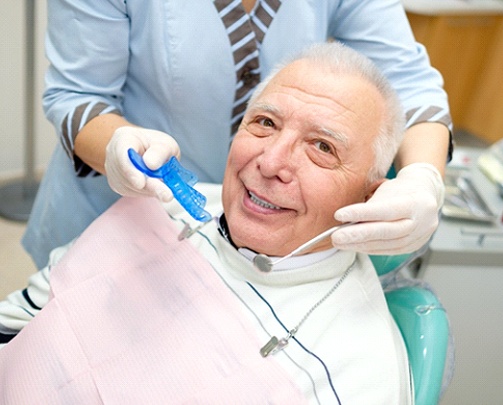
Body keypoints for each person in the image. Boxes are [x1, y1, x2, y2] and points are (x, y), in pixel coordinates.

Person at [0, 43, 412, 403]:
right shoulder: (159, 210)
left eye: (322, 147)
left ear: (369, 197)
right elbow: (19, 320)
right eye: (265, 123)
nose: (270, 163)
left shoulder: (361, 371)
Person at [22, 0, 452, 270]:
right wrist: (118, 145)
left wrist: (423, 178)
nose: (270, 163)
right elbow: (78, 94)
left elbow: (410, 83)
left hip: (257, 239)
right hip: (113, 213)